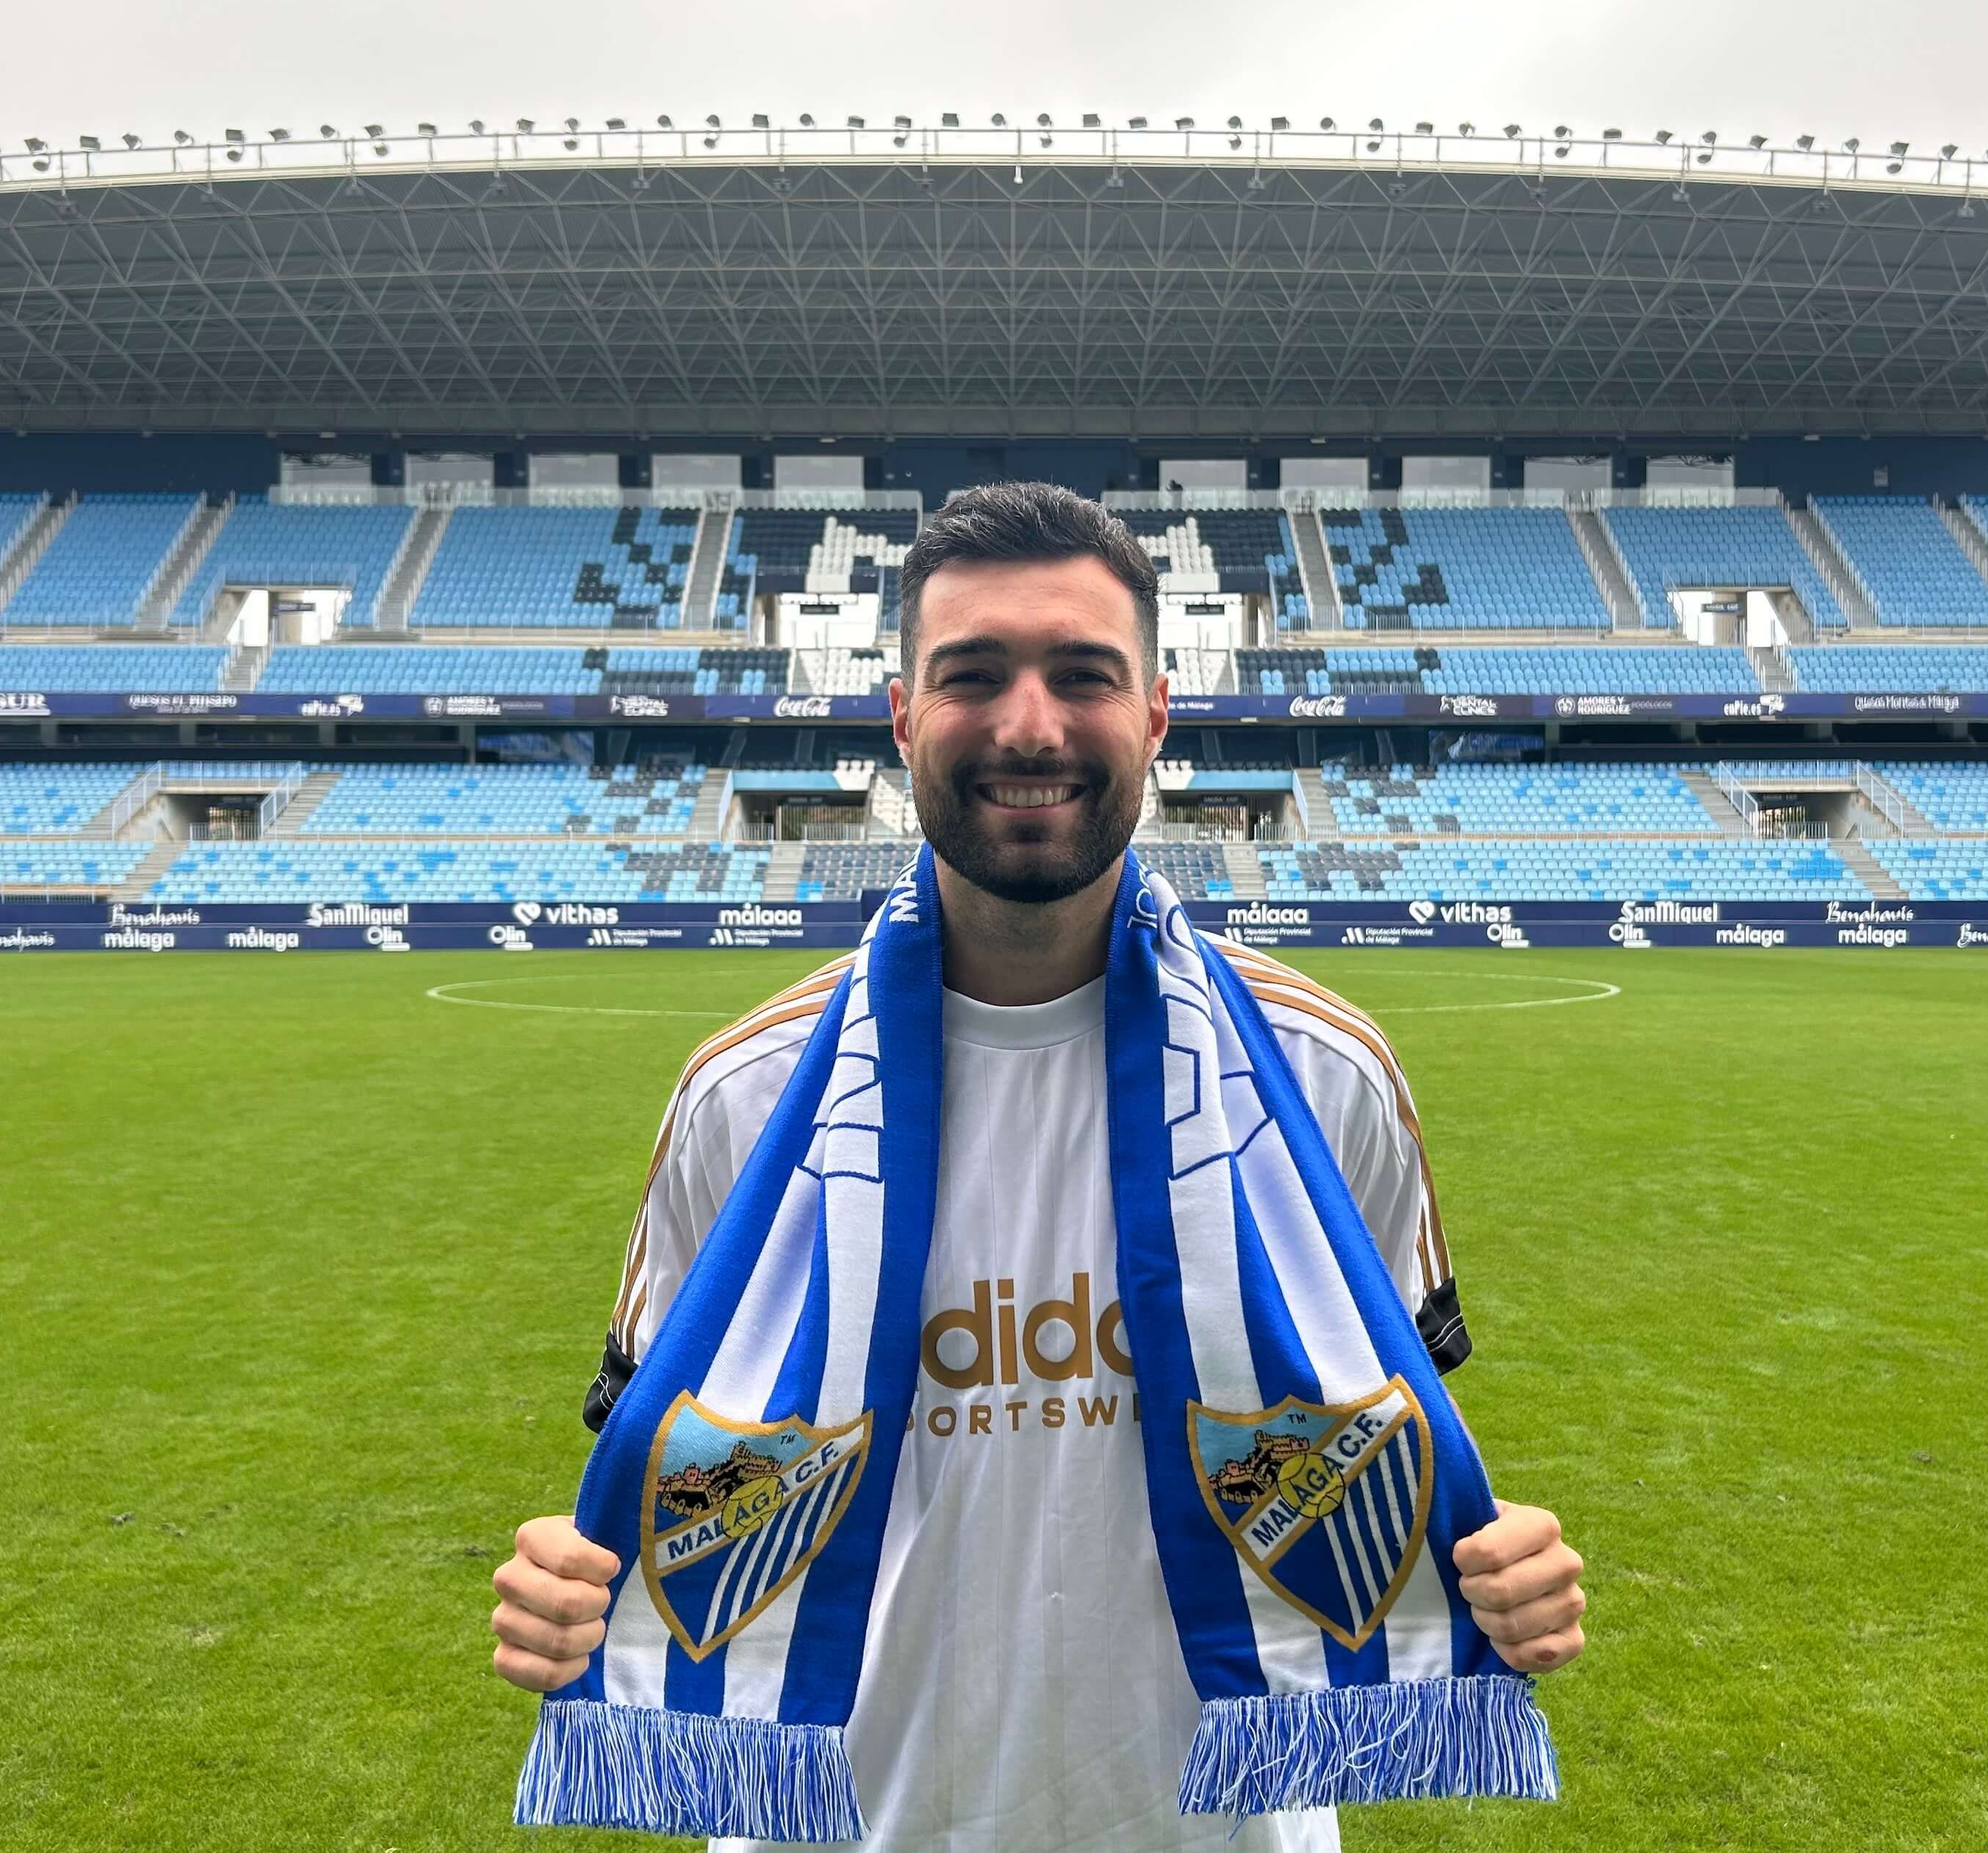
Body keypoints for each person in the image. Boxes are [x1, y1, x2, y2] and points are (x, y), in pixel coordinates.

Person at [490, 482, 1584, 1852]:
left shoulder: (1326, 1075)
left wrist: (1503, 1567)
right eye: (971, 676)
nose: (1028, 724)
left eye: (1083, 675)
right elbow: (664, 1481)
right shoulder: (744, 1094)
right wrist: (561, 1588)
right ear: (902, 718)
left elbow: (1389, 1443)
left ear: (1155, 717)